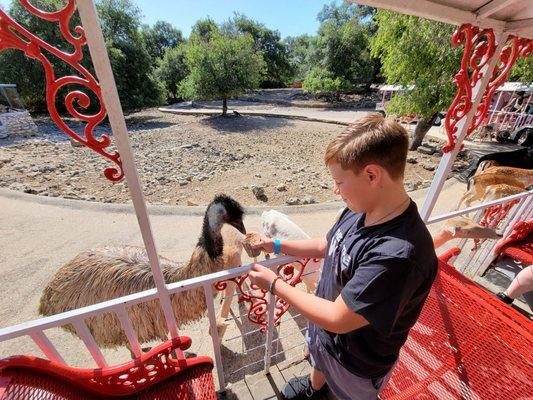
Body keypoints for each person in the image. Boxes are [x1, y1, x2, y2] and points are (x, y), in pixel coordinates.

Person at [247, 113, 438, 400]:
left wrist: (275, 285)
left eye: (339, 181)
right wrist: (275, 245)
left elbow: (337, 318)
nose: (336, 190)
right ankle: (315, 389)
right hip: (325, 336)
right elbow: (327, 244)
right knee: (317, 360)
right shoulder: (359, 208)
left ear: (372, 175)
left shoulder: (399, 255)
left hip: (355, 363)